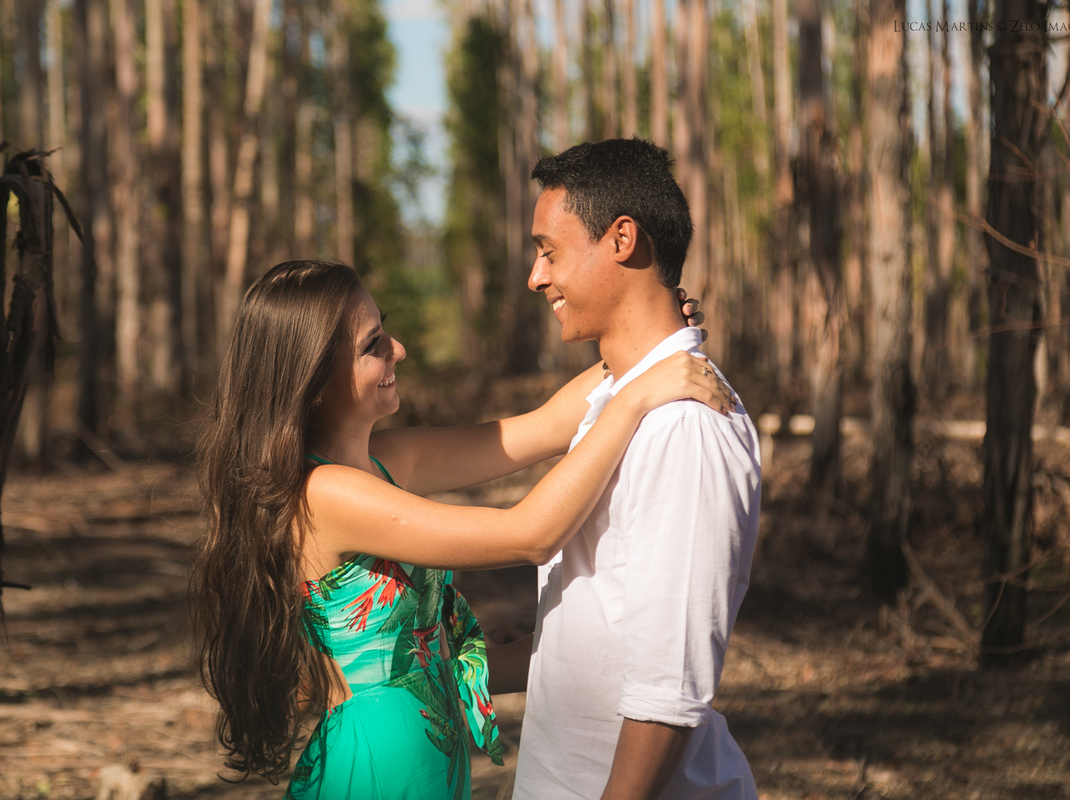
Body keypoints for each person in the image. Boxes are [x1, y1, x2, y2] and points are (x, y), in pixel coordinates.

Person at [189, 259, 730, 799]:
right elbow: (531, 534)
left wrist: (648, 345)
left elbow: (541, 428)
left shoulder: (383, 462)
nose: (397, 349)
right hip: (379, 771)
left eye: (386, 329)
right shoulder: (325, 493)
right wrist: (638, 396)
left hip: (423, 761)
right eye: (372, 344)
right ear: (314, 383)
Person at [505, 138, 761, 799]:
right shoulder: (619, 398)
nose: (536, 277)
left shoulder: (685, 426)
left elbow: (666, 692)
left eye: (549, 251)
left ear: (622, 239)